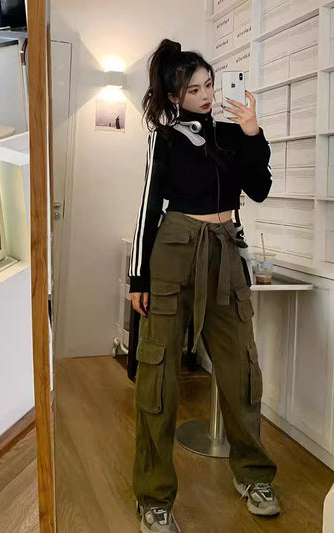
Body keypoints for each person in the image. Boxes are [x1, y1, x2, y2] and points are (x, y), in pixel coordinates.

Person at [129, 39, 278, 533]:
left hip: (225, 249)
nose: (207, 95)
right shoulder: (164, 139)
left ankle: (254, 474)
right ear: (175, 96)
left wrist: (253, 132)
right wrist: (138, 277)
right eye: (194, 89)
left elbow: (259, 189)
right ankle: (154, 498)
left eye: (210, 84)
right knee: (159, 377)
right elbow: (148, 207)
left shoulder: (234, 133)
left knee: (241, 370)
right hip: (174, 250)